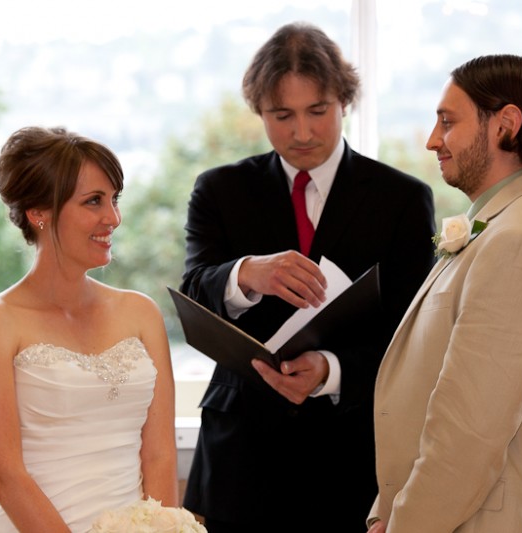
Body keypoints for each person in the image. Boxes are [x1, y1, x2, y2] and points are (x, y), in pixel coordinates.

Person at [179, 22, 436, 533]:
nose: (302, 133)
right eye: (282, 115)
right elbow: (192, 293)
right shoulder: (219, 190)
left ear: (344, 100)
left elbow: (415, 336)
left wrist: (331, 369)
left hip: (352, 458)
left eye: (318, 111)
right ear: (259, 112)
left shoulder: (401, 199)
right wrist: (246, 275)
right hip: (241, 459)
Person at [369, 54, 522, 532]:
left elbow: (469, 433)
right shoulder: (515, 224)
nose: (433, 141)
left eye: (448, 122)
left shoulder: (517, 241)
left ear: (506, 125)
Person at [0, 126, 179, 532]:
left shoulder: (141, 313)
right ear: (39, 212)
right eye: (93, 201)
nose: (113, 218)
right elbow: (5, 477)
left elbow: (160, 455)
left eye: (114, 200)